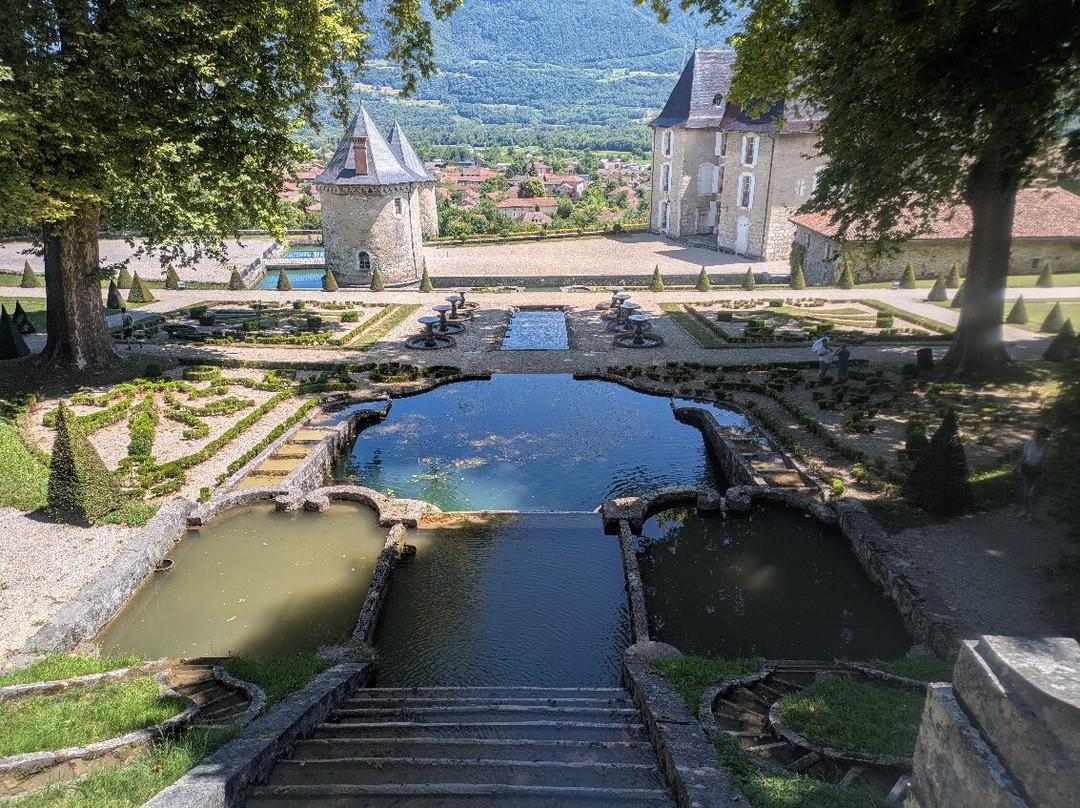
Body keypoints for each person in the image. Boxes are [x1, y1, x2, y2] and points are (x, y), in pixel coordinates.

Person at [1018, 426, 1051, 521]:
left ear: (1042, 436)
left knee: (1032, 494)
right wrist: (1016, 467)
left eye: (1036, 434)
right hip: (1028, 469)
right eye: (1034, 433)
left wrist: (1046, 474)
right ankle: (1024, 511)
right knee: (1025, 492)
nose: (1033, 435)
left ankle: (1031, 513)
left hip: (1040, 471)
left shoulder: (1048, 446)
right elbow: (1023, 456)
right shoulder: (1029, 443)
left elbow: (1048, 461)